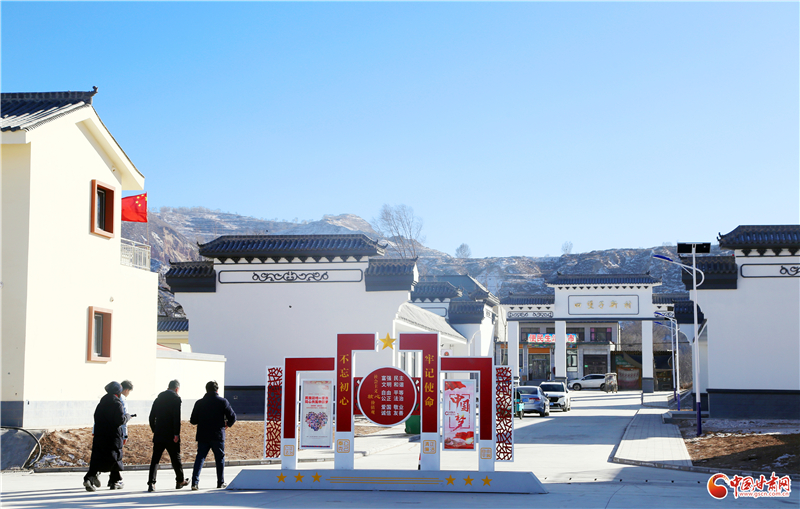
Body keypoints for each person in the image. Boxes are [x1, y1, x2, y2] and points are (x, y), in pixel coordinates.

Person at [190, 380, 236, 490]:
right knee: (219, 459)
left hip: (203, 434)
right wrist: (227, 424)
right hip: (217, 434)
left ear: (206, 390)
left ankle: (194, 483)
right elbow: (233, 417)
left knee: (200, 458)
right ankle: (220, 482)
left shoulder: (199, 403)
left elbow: (193, 420)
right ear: (217, 390)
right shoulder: (223, 401)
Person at [84, 381, 129, 491]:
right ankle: (114, 481)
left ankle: (90, 478)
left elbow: (96, 419)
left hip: (100, 435)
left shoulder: (101, 403)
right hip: (113, 436)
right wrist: (127, 417)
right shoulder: (117, 403)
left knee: (98, 457)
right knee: (115, 457)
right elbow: (119, 420)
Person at [147, 380, 189, 492]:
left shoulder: (158, 399)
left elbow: (151, 417)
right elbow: (176, 417)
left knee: (155, 459)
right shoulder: (176, 399)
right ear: (177, 389)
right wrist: (176, 433)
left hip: (159, 433)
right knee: (175, 458)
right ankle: (180, 481)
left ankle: (151, 483)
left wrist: (155, 430)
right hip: (171, 434)